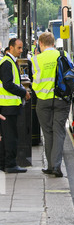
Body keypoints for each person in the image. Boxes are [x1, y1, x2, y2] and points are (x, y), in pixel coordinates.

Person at [31, 32, 72, 177]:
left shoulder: (36, 59)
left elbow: (35, 84)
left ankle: (50, 166)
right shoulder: (63, 54)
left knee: (47, 133)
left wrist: (41, 92)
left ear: (40, 44)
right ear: (53, 43)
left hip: (43, 101)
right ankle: (56, 166)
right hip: (61, 99)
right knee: (59, 132)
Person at [0, 38, 31, 173]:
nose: (21, 50)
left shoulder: (10, 62)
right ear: (11, 48)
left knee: (6, 136)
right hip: (8, 106)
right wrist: (23, 92)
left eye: (21, 48)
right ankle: (11, 164)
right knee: (10, 136)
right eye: (18, 48)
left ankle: (3, 163)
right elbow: (7, 84)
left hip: (9, 105)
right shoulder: (7, 63)